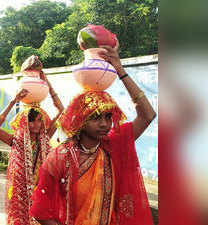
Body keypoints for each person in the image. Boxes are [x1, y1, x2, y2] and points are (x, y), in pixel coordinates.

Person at [29, 45, 157, 225]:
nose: (105, 124)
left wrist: (120, 71)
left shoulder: (111, 145)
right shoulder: (60, 157)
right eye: (95, 118)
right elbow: (40, 210)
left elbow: (148, 115)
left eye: (108, 117)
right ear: (80, 119)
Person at [0, 65, 64, 225]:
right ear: (25, 121)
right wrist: (13, 101)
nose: (36, 125)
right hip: (20, 191)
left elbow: (61, 110)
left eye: (39, 120)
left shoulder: (45, 137)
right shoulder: (16, 141)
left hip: (41, 189)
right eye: (32, 120)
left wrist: (47, 83)